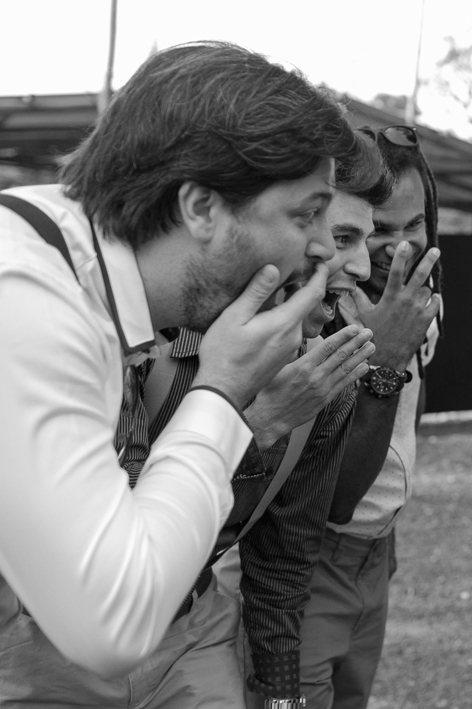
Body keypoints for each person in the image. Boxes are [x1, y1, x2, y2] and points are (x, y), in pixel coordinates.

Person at [0, 41, 360, 680]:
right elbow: (113, 625)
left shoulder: (71, 271)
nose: (325, 248)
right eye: (306, 213)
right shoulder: (28, 300)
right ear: (201, 207)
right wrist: (221, 392)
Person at [297, 125, 443, 709]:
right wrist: (385, 363)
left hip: (372, 557)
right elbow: (334, 498)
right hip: (307, 559)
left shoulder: (416, 303)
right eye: (379, 229)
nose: (400, 247)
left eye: (415, 225)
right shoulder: (314, 313)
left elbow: (407, 420)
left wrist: (388, 526)